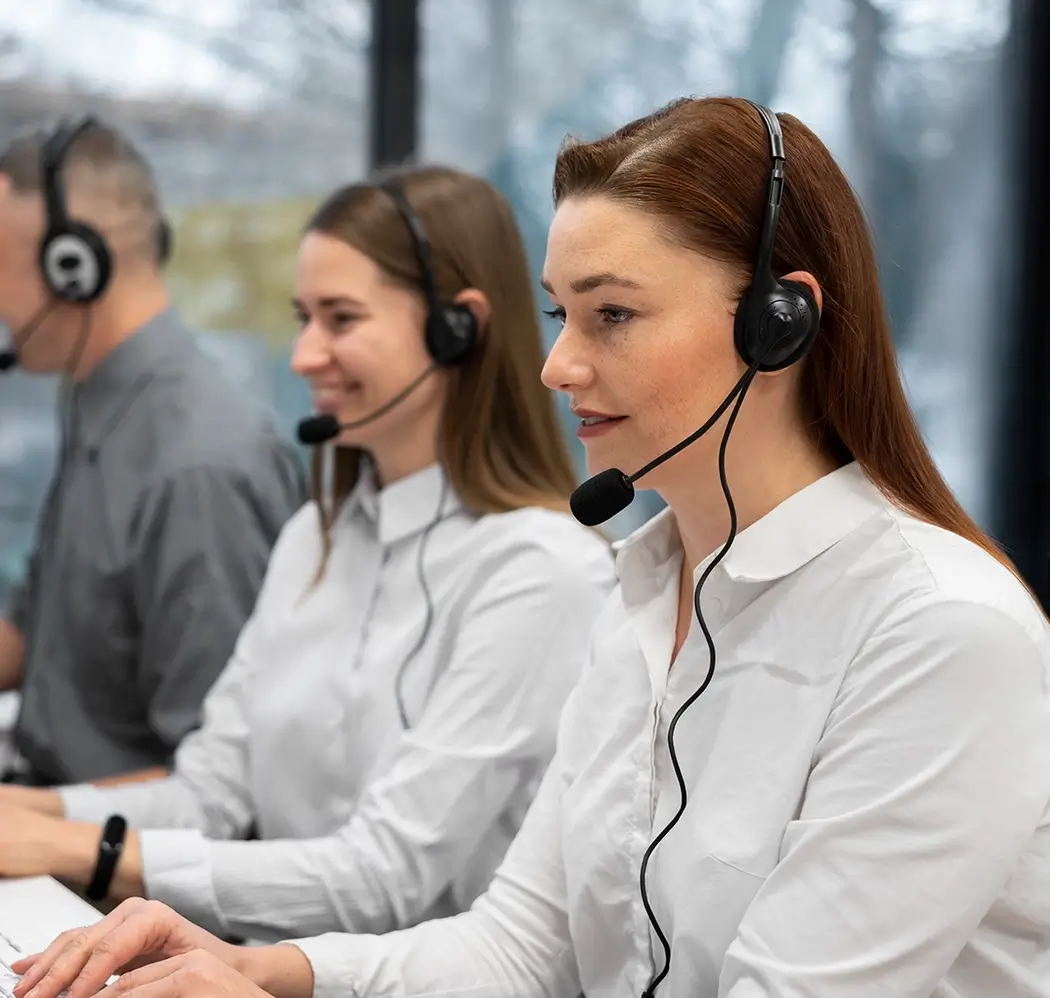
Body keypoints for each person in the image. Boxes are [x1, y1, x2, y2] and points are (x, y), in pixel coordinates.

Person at [16, 95, 1050, 998]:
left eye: (613, 314)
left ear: (779, 325)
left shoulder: (938, 632)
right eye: (562, 313)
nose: (556, 364)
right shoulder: (645, 593)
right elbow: (518, 945)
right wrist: (262, 969)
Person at [0, 166, 615, 944]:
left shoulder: (541, 571)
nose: (303, 355)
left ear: (457, 329)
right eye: (303, 319)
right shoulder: (313, 540)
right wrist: (32, 813)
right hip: (253, 970)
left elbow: (382, 878)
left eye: (340, 319)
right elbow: (209, 794)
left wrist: (75, 848)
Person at [0, 117, 305, 786]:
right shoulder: (97, 406)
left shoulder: (198, 467)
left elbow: (219, 789)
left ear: (72, 267)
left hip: (109, 845)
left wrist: (30, 823)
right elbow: (32, 636)